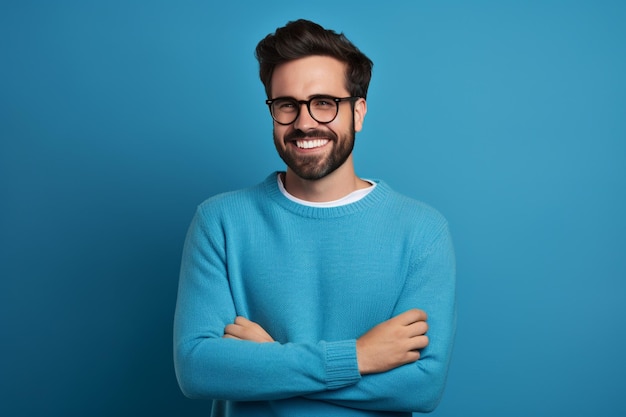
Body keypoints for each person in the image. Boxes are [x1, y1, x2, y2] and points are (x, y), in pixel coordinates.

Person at [173, 19, 456, 417]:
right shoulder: (220, 221)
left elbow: (421, 386)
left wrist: (268, 363)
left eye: (324, 102)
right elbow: (198, 369)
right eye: (287, 104)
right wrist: (358, 356)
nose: (305, 122)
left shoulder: (422, 231)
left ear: (358, 112)